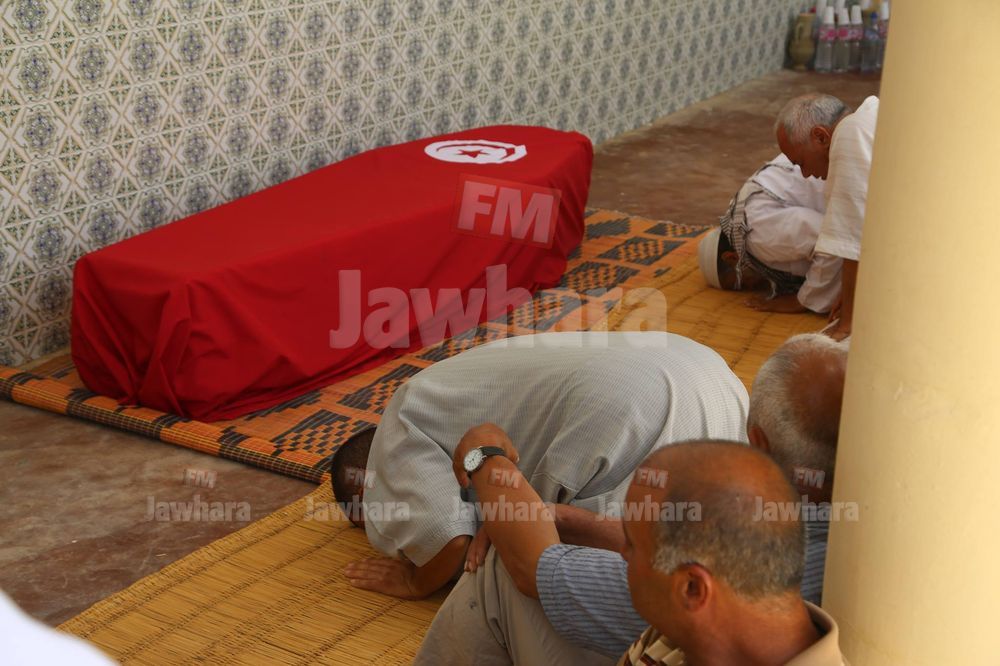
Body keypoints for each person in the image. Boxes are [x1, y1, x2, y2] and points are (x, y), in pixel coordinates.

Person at [331, 331, 750, 600]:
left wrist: (415, 580)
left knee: (521, 575)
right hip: (706, 373)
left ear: (366, 495)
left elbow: (449, 542)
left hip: (618, 410)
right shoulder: (442, 389)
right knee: (689, 539)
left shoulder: (396, 432)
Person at [415, 436, 847, 665]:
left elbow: (533, 566)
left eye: (634, 547)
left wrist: (482, 455)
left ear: (693, 589)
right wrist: (564, 518)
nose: (619, 553)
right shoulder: (683, 633)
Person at [775, 92, 880, 340]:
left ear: (821, 137)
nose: (805, 174)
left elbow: (853, 239)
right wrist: (853, 296)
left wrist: (847, 324)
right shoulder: (867, 119)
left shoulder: (850, 133)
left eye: (801, 162)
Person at [698, 154, 840, 314]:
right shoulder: (743, 217)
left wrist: (802, 300)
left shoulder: (755, 235)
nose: (751, 287)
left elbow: (831, 241)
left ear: (731, 258)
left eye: (741, 283)